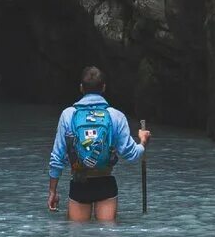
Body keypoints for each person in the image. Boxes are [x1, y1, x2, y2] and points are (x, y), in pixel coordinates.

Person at [47, 66, 150, 221]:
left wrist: (52, 191)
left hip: (79, 183)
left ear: (81, 88)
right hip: (105, 183)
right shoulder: (116, 116)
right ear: (103, 87)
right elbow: (131, 155)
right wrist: (142, 141)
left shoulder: (68, 115)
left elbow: (57, 157)